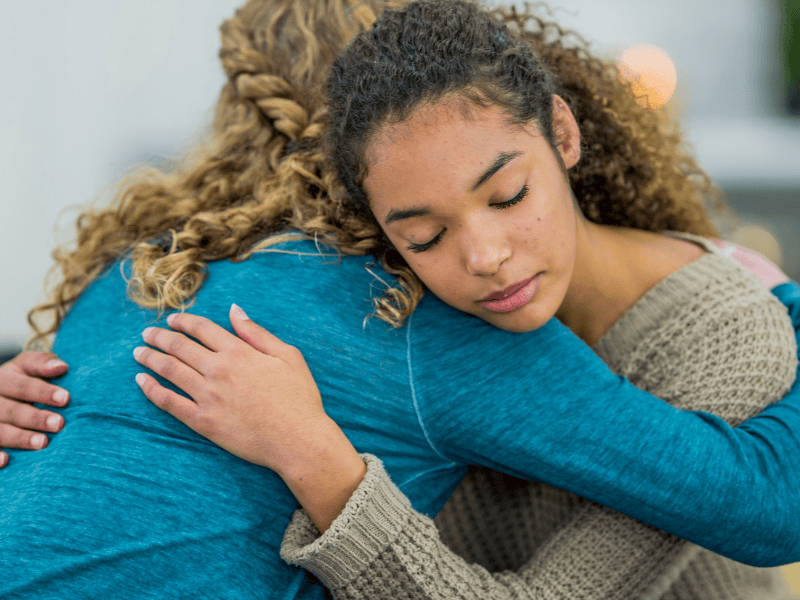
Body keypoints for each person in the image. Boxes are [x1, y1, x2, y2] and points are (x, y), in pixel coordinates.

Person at [0, 0, 799, 598]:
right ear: (361, 195)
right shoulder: (404, 310)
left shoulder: (144, 264)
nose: (483, 258)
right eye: (421, 235)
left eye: (509, 193)